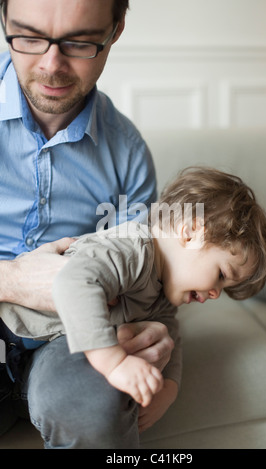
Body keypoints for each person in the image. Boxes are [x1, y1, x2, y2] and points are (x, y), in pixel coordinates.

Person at [0, 0, 175, 448]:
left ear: (114, 32)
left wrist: (166, 361)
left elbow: (149, 284)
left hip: (74, 337)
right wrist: (11, 280)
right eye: (29, 37)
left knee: (93, 406)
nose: (51, 65)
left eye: (79, 42)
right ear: (3, 21)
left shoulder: (128, 152)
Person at [0, 166, 266, 440]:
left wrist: (169, 388)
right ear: (190, 233)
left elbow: (171, 335)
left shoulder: (164, 295)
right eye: (221, 275)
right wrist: (114, 363)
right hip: (9, 327)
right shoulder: (133, 249)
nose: (215, 293)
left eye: (224, 288)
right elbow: (73, 282)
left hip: (37, 349)